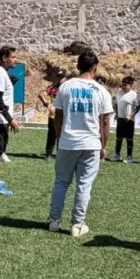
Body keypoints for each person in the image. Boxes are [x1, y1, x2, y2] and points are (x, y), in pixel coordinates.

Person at [48, 50, 113, 237]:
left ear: (77, 66)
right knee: (84, 185)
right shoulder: (101, 91)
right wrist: (104, 145)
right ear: (95, 69)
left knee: (61, 182)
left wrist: (60, 138)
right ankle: (77, 224)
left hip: (68, 142)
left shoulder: (66, 87)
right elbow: (106, 122)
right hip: (91, 143)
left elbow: (57, 116)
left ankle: (54, 220)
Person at [0, 46, 21, 195]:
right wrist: (10, 119)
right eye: (13, 57)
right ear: (4, 58)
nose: (16, 59)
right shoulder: (0, 74)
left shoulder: (1, 72)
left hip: (0, 120)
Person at [112, 77, 140, 163]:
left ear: (130, 86)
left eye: (125, 85)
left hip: (129, 120)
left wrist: (131, 115)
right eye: (122, 85)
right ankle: (117, 155)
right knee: (119, 138)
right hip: (120, 119)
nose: (123, 86)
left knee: (129, 139)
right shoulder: (119, 94)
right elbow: (116, 105)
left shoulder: (134, 95)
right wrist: (117, 114)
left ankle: (129, 156)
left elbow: (138, 107)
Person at [39, 70, 67, 161]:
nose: (60, 79)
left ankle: (61, 153)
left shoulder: (68, 88)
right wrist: (48, 105)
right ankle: (48, 154)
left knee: (64, 135)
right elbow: (40, 94)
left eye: (62, 77)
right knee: (52, 135)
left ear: (66, 78)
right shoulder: (53, 88)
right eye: (58, 77)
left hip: (65, 116)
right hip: (53, 116)